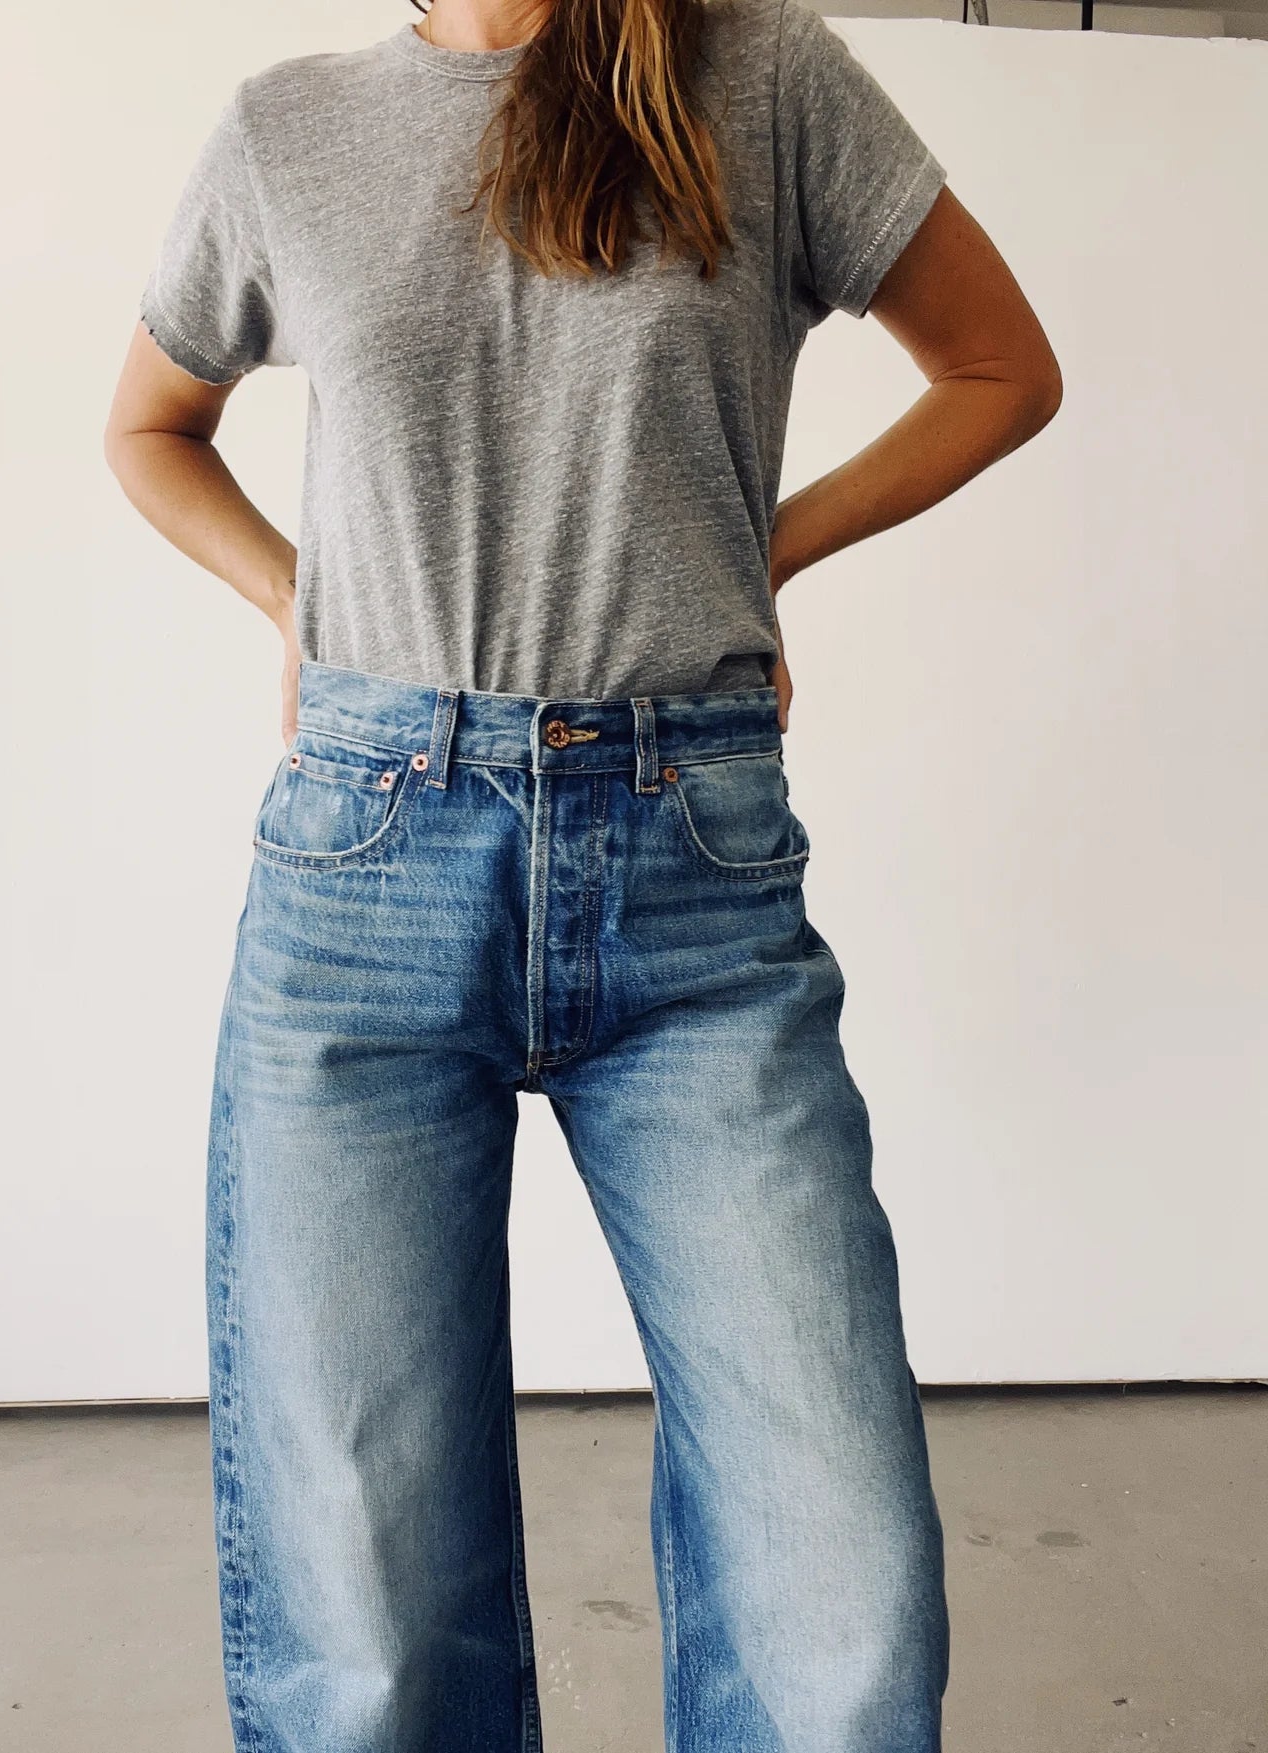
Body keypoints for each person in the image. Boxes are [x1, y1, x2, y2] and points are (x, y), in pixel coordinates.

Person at [104, 0, 1061, 1747]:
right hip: (368, 869)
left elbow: (1003, 366)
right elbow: (150, 424)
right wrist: (296, 598)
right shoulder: (287, 131)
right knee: (373, 1638)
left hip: (692, 866)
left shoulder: (762, 76)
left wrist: (764, 552)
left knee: (843, 1609)